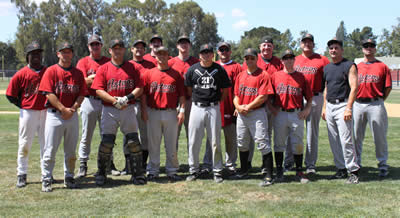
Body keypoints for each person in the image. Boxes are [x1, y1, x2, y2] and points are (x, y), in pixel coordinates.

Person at [91, 39, 146, 186]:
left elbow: (140, 87)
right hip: (110, 108)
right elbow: (98, 90)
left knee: (133, 142)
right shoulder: (104, 68)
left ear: (124, 50)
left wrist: (126, 99)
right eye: (115, 48)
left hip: (128, 107)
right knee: (106, 143)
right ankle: (102, 173)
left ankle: (137, 174)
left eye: (120, 48)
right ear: (110, 51)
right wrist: (115, 101)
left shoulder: (132, 67)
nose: (118, 51)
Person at [39, 42, 88, 192]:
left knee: (71, 151)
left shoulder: (78, 73)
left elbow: (81, 94)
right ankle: (46, 178)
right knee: (50, 149)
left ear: (72, 54)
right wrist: (62, 109)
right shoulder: (51, 71)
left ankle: (69, 177)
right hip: (55, 116)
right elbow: (49, 93)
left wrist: (72, 109)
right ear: (58, 54)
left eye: (69, 52)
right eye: (63, 52)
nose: (66, 54)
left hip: (72, 115)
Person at [185, 44, 231, 183]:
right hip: (197, 107)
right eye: (203, 52)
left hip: (213, 107)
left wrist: (216, 102)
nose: (206, 55)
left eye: (208, 52)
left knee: (215, 140)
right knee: (193, 141)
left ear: (213, 55)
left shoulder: (219, 69)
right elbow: (188, 89)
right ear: (199, 55)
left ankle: (217, 171)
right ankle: (193, 170)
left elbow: (225, 90)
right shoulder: (193, 69)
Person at [284, 33, 330, 174]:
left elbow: (328, 82)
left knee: (312, 132)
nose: (307, 44)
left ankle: (310, 164)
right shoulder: (294, 59)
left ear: (313, 44)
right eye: (304, 41)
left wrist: (325, 104)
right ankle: (289, 162)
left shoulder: (322, 60)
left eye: (310, 41)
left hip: (315, 97)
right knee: (291, 131)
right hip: (296, 98)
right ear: (300, 44)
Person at [76, 34, 120, 178]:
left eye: (97, 44)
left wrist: (92, 78)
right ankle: (83, 164)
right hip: (89, 100)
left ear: (101, 46)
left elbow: (111, 80)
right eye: (92, 44)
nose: (95, 46)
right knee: (86, 135)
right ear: (88, 47)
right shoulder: (83, 62)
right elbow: (83, 82)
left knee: (107, 134)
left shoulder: (108, 61)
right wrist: (98, 78)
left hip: (105, 100)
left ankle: (109, 164)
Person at [141, 46, 185, 182]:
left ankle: (172, 170)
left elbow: (182, 95)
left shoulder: (176, 74)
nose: (161, 57)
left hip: (171, 112)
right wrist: (143, 110)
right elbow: (143, 95)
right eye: (159, 54)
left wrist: (182, 111)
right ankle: (153, 170)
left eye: (164, 54)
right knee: (153, 143)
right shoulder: (148, 73)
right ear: (155, 56)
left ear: (168, 56)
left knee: (171, 143)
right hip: (153, 111)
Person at [6, 41, 47, 188]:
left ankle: (46, 174)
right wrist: (22, 106)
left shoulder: (48, 72)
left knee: (46, 144)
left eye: (38, 53)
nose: (36, 56)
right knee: (24, 144)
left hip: (46, 112)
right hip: (28, 112)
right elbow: (10, 95)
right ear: (28, 56)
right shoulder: (21, 74)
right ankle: (21, 174)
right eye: (33, 53)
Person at [268, 49, 312, 184]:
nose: (288, 60)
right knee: (279, 144)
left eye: (291, 58)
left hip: (296, 113)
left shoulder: (301, 76)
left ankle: (299, 171)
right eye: (285, 58)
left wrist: (307, 109)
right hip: (280, 113)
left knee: (297, 143)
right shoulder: (275, 76)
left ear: (294, 60)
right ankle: (280, 171)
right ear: (282, 61)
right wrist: (272, 109)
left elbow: (309, 97)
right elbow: (268, 96)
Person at [232, 48, 274, 187]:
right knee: (242, 142)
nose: (249, 60)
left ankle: (268, 175)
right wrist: (238, 107)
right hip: (242, 113)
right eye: (247, 58)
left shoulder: (263, 75)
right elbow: (236, 95)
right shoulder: (240, 75)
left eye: (252, 58)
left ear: (257, 59)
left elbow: (263, 96)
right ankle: (244, 170)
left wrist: (247, 107)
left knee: (262, 141)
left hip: (256, 112)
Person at [322, 38, 360, 184]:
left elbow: (354, 87)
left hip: (343, 105)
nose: (333, 50)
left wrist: (349, 108)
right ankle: (340, 169)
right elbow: (326, 88)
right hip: (330, 106)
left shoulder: (349, 65)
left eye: (336, 48)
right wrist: (325, 107)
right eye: (331, 48)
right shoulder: (327, 68)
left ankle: (353, 171)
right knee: (334, 141)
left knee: (346, 141)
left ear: (341, 50)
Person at [242, 36, 283, 168]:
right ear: (260, 47)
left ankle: (266, 165)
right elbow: (244, 81)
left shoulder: (278, 63)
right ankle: (247, 162)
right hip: (254, 103)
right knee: (250, 136)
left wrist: (273, 105)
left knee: (267, 135)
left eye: (269, 45)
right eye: (264, 45)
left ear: (273, 48)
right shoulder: (252, 58)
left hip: (271, 102)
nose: (266, 48)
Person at [353, 38, 392, 178]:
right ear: (362, 49)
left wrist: (379, 100)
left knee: (379, 136)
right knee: (356, 136)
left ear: (375, 48)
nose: (368, 48)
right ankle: (356, 163)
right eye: (366, 46)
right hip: (357, 103)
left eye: (371, 46)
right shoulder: (356, 66)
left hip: (375, 103)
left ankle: (382, 164)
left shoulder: (382, 66)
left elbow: (388, 87)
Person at [203, 42, 240, 174]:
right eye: (221, 50)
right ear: (217, 52)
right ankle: (208, 163)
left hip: (230, 106)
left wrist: (237, 105)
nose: (223, 52)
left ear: (230, 51)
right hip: (214, 107)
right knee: (211, 138)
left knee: (231, 138)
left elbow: (238, 88)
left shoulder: (236, 67)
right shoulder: (213, 66)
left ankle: (230, 164)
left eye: (226, 50)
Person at [120, 40, 156, 176]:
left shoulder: (151, 64)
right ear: (131, 49)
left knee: (145, 135)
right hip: (130, 103)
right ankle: (128, 165)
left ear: (145, 50)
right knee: (128, 135)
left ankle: (142, 164)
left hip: (145, 103)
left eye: (142, 47)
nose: (139, 50)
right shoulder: (127, 65)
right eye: (136, 48)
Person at [168, 36, 200, 171]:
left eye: (186, 43)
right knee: (173, 135)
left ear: (190, 46)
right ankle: (173, 164)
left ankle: (192, 164)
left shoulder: (196, 62)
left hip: (191, 101)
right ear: (177, 46)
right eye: (181, 43)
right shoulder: (170, 62)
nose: (184, 45)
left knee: (192, 135)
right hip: (174, 103)